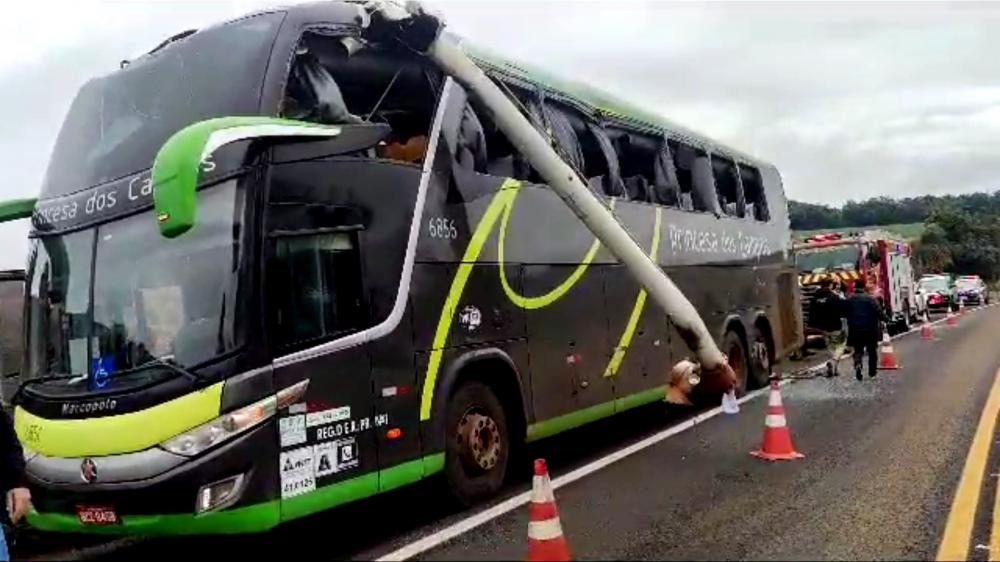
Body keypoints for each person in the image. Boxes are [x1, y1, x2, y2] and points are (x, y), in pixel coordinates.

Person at [842, 280, 885, 381]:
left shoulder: (849, 299)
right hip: (870, 329)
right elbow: (879, 311)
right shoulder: (871, 299)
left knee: (858, 350)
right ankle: (872, 373)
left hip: (855, 329)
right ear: (864, 287)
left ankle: (858, 364)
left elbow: (843, 312)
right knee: (872, 351)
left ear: (855, 288)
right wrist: (886, 319)